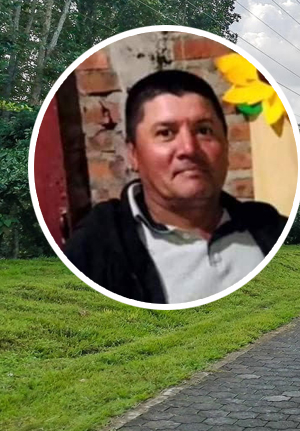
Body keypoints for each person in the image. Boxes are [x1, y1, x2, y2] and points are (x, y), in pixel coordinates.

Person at [64, 70, 287, 304]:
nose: (189, 149)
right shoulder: (94, 254)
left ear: (226, 145)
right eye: (166, 133)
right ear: (133, 155)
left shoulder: (271, 229)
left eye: (204, 130)